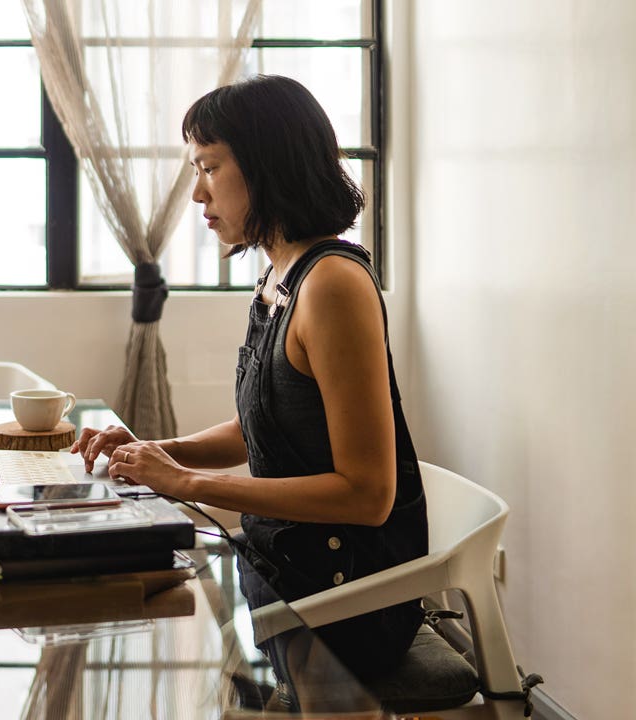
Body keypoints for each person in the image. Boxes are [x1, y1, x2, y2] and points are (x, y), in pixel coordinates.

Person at [71, 75, 428, 686]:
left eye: (209, 167)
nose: (196, 194)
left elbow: (367, 496)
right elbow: (263, 427)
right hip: (280, 567)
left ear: (266, 165)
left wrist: (187, 482)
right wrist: (157, 451)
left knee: (132, 640)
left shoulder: (333, 285)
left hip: (342, 604)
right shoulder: (278, 278)